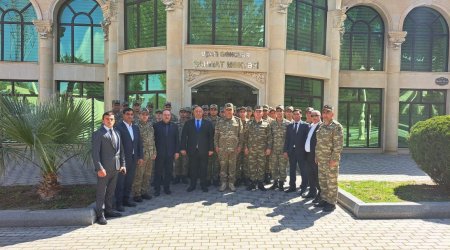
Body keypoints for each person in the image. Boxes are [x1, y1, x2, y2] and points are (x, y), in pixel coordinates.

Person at [92, 111, 126, 225]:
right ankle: (100, 214)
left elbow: (121, 151)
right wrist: (99, 168)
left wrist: (123, 164)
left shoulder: (117, 132)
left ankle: (109, 210)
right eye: (107, 119)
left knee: (111, 191)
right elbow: (95, 153)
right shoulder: (98, 133)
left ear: (114, 121)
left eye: (111, 119)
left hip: (116, 168)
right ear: (103, 120)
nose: (109, 121)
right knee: (101, 192)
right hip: (104, 170)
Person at [314, 105, 344, 212]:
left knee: (331, 181)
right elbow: (318, 143)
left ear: (332, 114)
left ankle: (331, 203)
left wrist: (334, 159)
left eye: (328, 112)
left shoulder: (336, 126)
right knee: (323, 181)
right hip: (321, 159)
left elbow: (338, 146)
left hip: (330, 160)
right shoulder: (321, 126)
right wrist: (316, 156)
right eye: (324, 112)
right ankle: (324, 199)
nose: (325, 114)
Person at [115, 108, 144, 211]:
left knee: (129, 180)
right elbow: (117, 145)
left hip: (133, 158)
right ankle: (118, 203)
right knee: (120, 181)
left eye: (132, 114)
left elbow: (139, 143)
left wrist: (140, 156)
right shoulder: (118, 127)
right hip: (123, 159)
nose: (130, 116)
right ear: (123, 115)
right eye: (128, 114)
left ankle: (126, 200)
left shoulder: (135, 128)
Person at [180, 106, 214, 192]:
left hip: (204, 150)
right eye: (196, 111)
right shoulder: (188, 123)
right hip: (192, 150)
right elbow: (184, 136)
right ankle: (192, 185)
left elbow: (211, 137)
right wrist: (183, 148)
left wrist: (211, 149)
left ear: (202, 113)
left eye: (200, 111)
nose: (198, 113)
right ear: (193, 113)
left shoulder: (208, 123)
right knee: (193, 168)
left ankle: (203, 185)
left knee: (203, 168)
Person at [214, 103, 243, 192]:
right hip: (222, 149)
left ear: (233, 111)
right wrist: (216, 146)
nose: (229, 111)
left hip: (234, 149)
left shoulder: (238, 121)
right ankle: (223, 183)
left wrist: (240, 146)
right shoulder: (219, 121)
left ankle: (231, 183)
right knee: (223, 166)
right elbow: (216, 135)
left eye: (230, 109)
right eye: (227, 110)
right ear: (224, 111)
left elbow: (241, 135)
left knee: (232, 166)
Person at [244, 105, 272, 191]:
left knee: (261, 166)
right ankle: (252, 183)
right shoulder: (249, 123)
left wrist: (268, 148)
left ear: (262, 113)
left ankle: (260, 183)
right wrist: (245, 147)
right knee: (251, 166)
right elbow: (245, 137)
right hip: (251, 149)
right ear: (254, 113)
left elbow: (269, 137)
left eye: (260, 111)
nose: (258, 113)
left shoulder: (266, 124)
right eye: (257, 111)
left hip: (262, 150)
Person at [153, 110, 180, 196]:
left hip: (170, 153)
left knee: (168, 171)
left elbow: (177, 140)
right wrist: (154, 152)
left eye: (168, 115)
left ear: (170, 116)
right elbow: (153, 140)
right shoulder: (156, 126)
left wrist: (176, 152)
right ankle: (157, 189)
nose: (167, 116)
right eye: (165, 115)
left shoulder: (174, 126)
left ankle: (166, 188)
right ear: (162, 116)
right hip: (159, 153)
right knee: (158, 172)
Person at [132, 108, 156, 202]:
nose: (144, 116)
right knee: (139, 174)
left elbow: (153, 140)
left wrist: (154, 152)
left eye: (146, 114)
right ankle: (136, 194)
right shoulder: (136, 127)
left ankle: (144, 191)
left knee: (148, 174)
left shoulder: (150, 126)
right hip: (142, 155)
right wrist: (138, 156)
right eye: (142, 114)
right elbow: (135, 143)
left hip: (150, 154)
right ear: (139, 115)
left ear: (148, 115)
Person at [283, 108, 309, 194]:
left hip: (301, 152)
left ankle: (304, 187)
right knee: (292, 169)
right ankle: (292, 186)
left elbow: (306, 140)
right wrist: (285, 151)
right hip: (291, 151)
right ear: (292, 116)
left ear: (301, 115)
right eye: (295, 114)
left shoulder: (305, 125)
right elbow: (287, 139)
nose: (296, 116)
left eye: (298, 114)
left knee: (303, 170)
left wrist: (306, 152)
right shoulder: (289, 126)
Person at [269, 105, 290, 191]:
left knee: (282, 166)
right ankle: (275, 182)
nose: (279, 113)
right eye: (277, 111)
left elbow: (289, 139)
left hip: (283, 149)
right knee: (273, 166)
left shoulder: (288, 123)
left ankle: (281, 183)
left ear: (283, 112)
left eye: (281, 111)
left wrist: (287, 150)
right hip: (273, 149)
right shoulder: (272, 123)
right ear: (276, 113)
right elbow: (270, 137)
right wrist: (269, 148)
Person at [304, 110, 322, 200]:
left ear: (320, 116)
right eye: (312, 115)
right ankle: (312, 191)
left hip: (315, 155)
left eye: (316, 115)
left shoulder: (321, 126)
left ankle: (320, 194)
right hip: (308, 154)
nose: (314, 117)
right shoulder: (310, 125)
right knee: (310, 174)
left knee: (316, 175)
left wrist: (317, 155)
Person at [236, 106, 250, 186]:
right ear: (238, 113)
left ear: (246, 113)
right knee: (237, 163)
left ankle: (246, 178)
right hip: (237, 146)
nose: (242, 113)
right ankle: (238, 179)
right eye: (240, 112)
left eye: (244, 112)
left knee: (246, 163)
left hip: (246, 146)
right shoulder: (236, 122)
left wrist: (247, 147)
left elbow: (250, 136)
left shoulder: (249, 122)